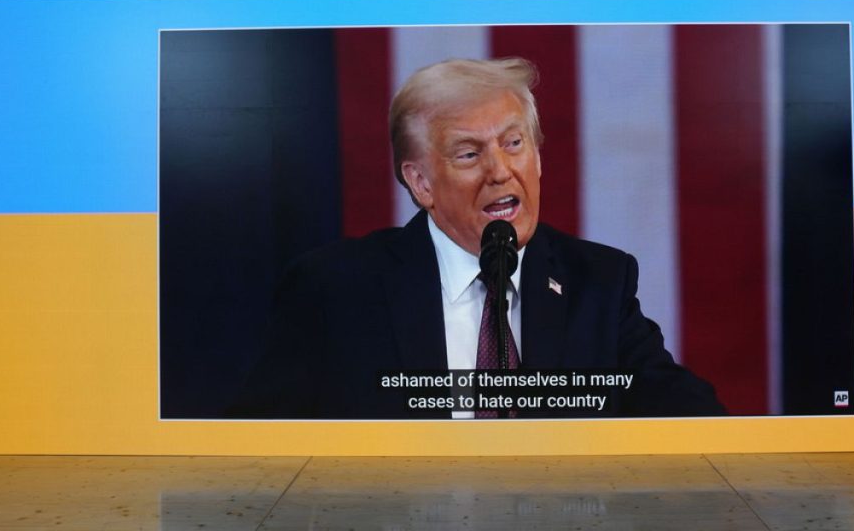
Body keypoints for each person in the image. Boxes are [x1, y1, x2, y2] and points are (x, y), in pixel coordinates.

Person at [231, 58, 724, 419]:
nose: (501, 171)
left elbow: (677, 408)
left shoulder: (601, 280)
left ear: (538, 157)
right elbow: (256, 446)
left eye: (514, 144)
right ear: (421, 183)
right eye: (468, 154)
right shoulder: (334, 288)